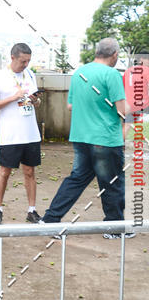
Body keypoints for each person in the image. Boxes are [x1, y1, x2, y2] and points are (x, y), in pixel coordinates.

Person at [42, 37, 128, 238]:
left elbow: (71, 106)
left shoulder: (79, 73)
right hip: (105, 139)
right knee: (112, 183)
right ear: (114, 55)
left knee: (76, 179)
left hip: (81, 137)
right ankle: (114, 229)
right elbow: (122, 111)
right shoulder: (112, 74)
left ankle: (49, 220)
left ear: (97, 52)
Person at [0, 43, 42, 224]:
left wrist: (35, 101)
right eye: (22, 61)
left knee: (30, 171)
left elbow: (37, 102)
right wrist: (13, 97)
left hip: (31, 133)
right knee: (5, 171)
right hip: (11, 135)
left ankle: (32, 210)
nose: (25, 64)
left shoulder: (30, 74)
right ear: (12, 58)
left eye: (28, 61)